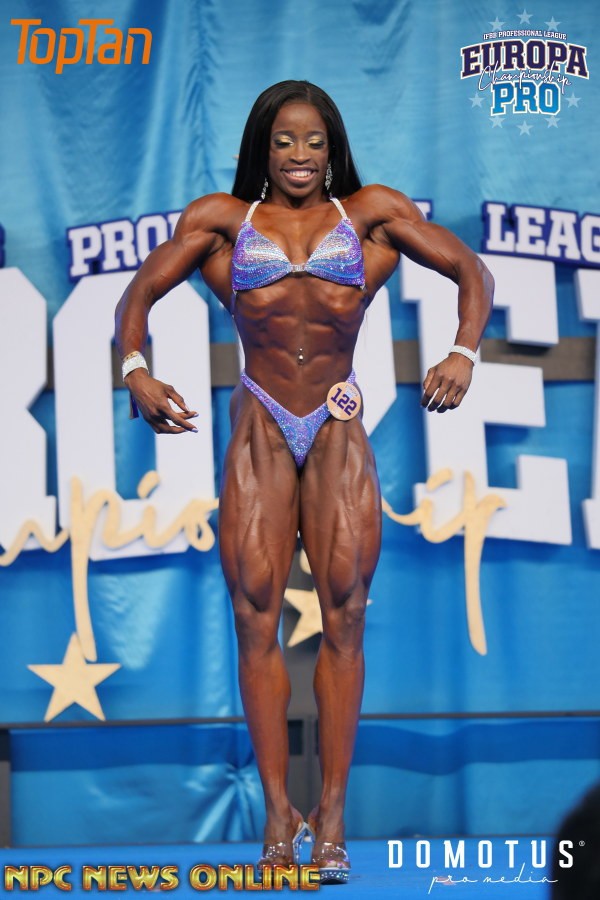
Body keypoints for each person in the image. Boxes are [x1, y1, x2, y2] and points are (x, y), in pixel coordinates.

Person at [114, 79, 493, 883]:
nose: (299, 154)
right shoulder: (222, 221)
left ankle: (334, 819)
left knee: (345, 615)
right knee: (254, 614)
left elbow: (468, 269)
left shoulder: (371, 216)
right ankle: (277, 819)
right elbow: (139, 292)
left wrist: (464, 351)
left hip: (336, 425)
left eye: (313, 141)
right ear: (263, 147)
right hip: (260, 422)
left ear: (332, 148)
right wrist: (136, 368)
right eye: (284, 140)